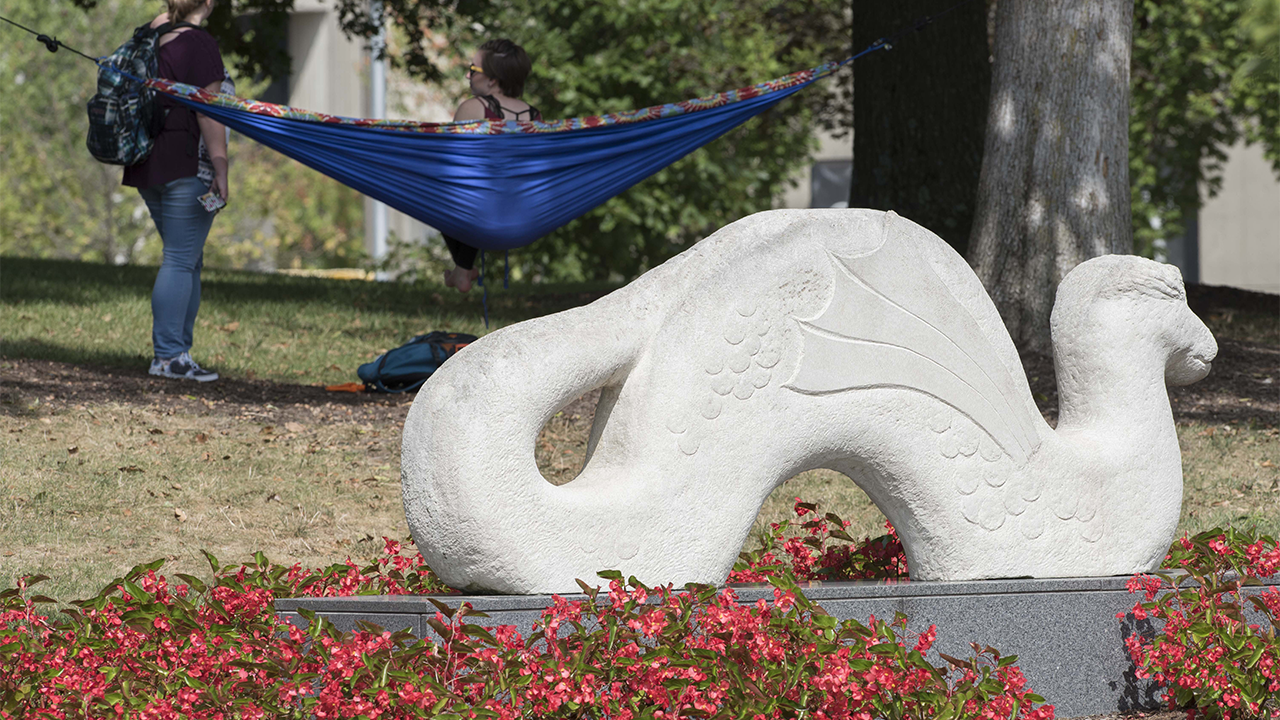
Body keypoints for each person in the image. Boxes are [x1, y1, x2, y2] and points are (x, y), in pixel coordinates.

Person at [123, 0, 228, 382]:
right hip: (186, 162)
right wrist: (222, 167)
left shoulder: (154, 35)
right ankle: (168, 357)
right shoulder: (199, 44)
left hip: (145, 161)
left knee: (186, 258)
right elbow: (209, 111)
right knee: (181, 260)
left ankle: (179, 352)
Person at [442, 38, 541, 293]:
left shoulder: (473, 109)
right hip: (523, 208)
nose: (467, 74)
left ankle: (462, 270)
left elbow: (453, 169)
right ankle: (463, 271)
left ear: (492, 81)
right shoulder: (535, 116)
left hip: (479, 208)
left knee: (437, 190)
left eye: (473, 70)